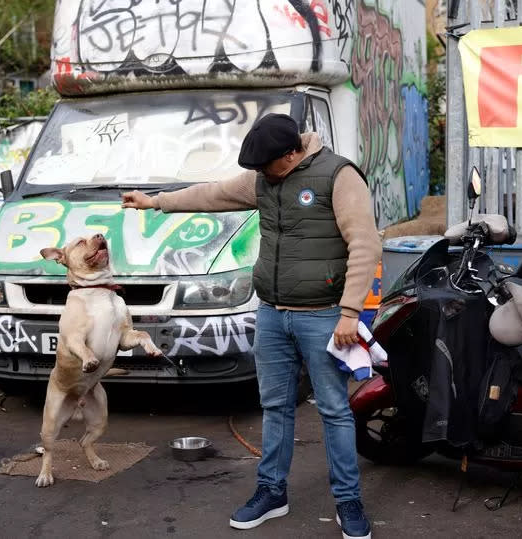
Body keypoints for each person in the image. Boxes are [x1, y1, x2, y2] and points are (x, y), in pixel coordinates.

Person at [121, 113, 381, 539]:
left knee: (334, 411)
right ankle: (271, 492)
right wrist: (155, 202)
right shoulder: (265, 177)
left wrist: (351, 312)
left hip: (323, 316)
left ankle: (348, 501)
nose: (260, 175)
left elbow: (365, 243)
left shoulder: (339, 175)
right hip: (272, 313)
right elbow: (214, 194)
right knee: (275, 407)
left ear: (292, 153)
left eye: (267, 165)